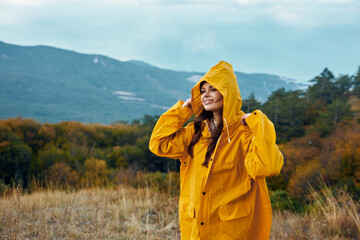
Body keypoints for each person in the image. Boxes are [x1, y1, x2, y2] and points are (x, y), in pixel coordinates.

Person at [149, 61, 284, 239]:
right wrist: (182, 111)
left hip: (230, 229)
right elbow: (159, 144)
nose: (206, 96)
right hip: (196, 226)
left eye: (213, 90)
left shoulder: (244, 132)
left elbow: (268, 167)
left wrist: (259, 124)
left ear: (228, 92)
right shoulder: (194, 132)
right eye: (202, 91)